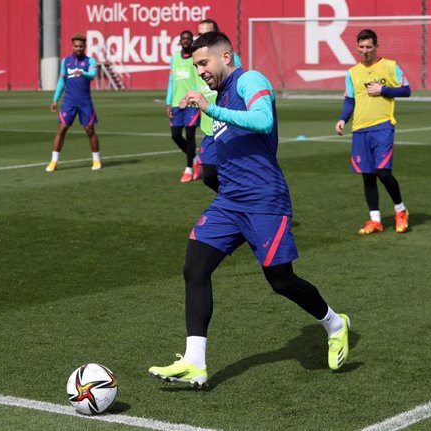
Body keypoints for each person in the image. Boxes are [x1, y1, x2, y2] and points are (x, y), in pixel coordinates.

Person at [148, 32, 350, 388]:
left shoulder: (250, 79)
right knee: (194, 267)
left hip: (264, 200)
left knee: (281, 280)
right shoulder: (221, 94)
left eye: (204, 63)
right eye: (195, 66)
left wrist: (210, 109)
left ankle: (335, 324)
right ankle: (195, 362)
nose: (200, 71)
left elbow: (263, 121)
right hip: (229, 202)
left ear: (226, 56)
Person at [335, 29, 410, 235]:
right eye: (361, 47)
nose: (365, 51)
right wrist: (343, 119)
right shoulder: (352, 73)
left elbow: (406, 89)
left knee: (384, 173)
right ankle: (375, 220)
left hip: (383, 126)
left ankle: (400, 211)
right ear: (357, 47)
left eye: (369, 47)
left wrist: (383, 90)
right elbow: (350, 99)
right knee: (367, 176)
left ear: (376, 46)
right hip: (359, 129)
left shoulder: (390, 66)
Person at [192, 18, 242, 192]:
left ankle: (240, 204)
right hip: (209, 129)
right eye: (199, 33)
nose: (202, 36)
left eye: (206, 33)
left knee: (232, 174)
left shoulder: (229, 60)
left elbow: (234, 88)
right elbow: (197, 87)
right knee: (209, 176)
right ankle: (235, 203)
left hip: (227, 128)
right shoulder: (198, 61)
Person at [46, 33, 101, 172]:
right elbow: (61, 81)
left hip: (85, 102)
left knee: (89, 130)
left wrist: (82, 73)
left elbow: (93, 75)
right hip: (68, 102)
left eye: (81, 46)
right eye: (76, 46)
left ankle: (96, 160)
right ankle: (54, 161)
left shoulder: (90, 61)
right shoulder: (66, 61)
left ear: (84, 46)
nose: (78, 48)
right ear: (72, 46)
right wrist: (55, 99)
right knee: (62, 129)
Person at [166, 30, 200, 183]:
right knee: (175, 135)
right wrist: (168, 102)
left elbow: (198, 80)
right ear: (180, 41)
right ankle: (196, 158)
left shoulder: (196, 58)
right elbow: (172, 81)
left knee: (190, 135)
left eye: (188, 39)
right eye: (183, 39)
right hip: (176, 104)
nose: (186, 41)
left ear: (191, 41)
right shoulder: (174, 58)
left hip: (191, 103)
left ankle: (188, 169)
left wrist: (193, 97)